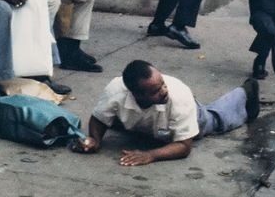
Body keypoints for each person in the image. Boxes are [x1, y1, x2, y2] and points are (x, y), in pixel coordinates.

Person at [73, 60, 260, 166]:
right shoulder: (116, 89)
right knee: (113, 118)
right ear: (136, 93)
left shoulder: (178, 95)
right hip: (145, 124)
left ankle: (244, 93)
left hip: (181, 120)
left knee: (214, 119)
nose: (164, 90)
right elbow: (99, 118)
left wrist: (150, 155)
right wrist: (95, 140)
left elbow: (184, 147)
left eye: (162, 83)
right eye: (155, 91)